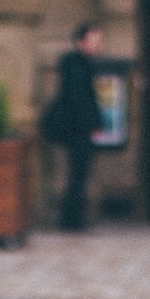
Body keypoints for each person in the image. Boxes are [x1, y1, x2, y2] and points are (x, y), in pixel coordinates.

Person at [46, 23, 104, 231]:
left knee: (78, 174)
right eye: (94, 40)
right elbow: (81, 99)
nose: (98, 45)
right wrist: (92, 123)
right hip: (77, 129)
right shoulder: (77, 65)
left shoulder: (81, 64)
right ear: (81, 42)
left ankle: (73, 218)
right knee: (78, 174)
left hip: (78, 127)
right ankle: (72, 220)